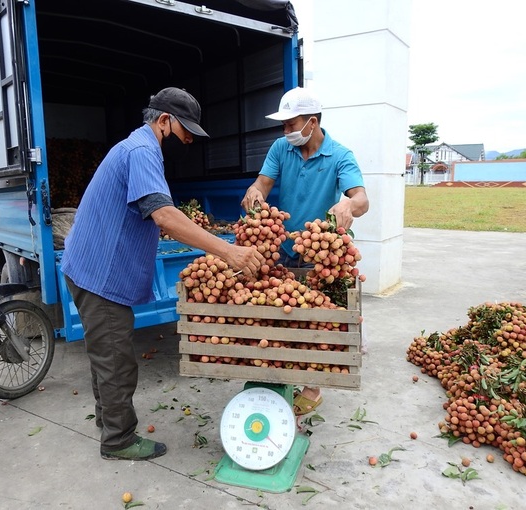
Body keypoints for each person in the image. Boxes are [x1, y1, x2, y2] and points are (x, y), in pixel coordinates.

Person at [61, 87, 265, 461]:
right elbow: (165, 216)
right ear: (164, 121)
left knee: (106, 354)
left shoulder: (139, 148)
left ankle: (108, 418)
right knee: (117, 361)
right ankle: (118, 440)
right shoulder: (141, 151)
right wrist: (228, 250)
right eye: (186, 132)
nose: (188, 141)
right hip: (99, 275)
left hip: (88, 267)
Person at [240, 86, 369, 416]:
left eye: (290, 124)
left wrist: (347, 205)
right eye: (283, 125)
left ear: (312, 122)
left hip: (318, 252)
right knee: (284, 314)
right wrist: (255, 192)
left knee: (316, 320)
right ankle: (281, 372)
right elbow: (263, 184)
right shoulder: (281, 148)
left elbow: (361, 199)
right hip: (282, 247)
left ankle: (312, 386)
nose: (285, 131)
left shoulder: (340, 155)